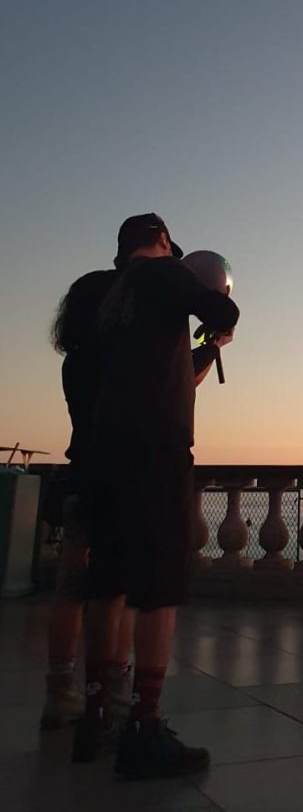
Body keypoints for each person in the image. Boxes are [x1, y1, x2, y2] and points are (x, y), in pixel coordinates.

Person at [72, 214, 239, 778]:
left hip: (106, 451)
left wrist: (204, 348)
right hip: (155, 452)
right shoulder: (163, 274)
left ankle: (96, 711)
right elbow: (225, 312)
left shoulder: (113, 296)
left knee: (108, 583)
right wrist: (215, 316)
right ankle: (144, 726)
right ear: (163, 243)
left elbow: (164, 372)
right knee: (158, 587)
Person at [42, 270, 134, 729]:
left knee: (71, 589)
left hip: (81, 474)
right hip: (116, 478)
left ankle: (60, 691)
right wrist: (209, 349)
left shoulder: (75, 362)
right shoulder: (118, 360)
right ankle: (113, 691)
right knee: (117, 589)